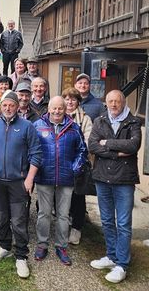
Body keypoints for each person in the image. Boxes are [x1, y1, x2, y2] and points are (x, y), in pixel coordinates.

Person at [88, 90, 142, 284]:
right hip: (103, 178)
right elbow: (93, 145)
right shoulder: (100, 120)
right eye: (110, 101)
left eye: (116, 101)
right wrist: (117, 153)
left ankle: (122, 264)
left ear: (123, 102)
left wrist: (108, 143)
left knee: (124, 224)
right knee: (108, 220)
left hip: (124, 180)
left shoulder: (133, 122)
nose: (113, 105)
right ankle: (111, 256)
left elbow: (133, 145)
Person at [0, 91, 40, 279]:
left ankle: (21, 255)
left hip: (19, 181)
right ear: (0, 106)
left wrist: (30, 178)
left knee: (18, 220)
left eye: (12, 105)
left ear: (18, 107)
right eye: (5, 105)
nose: (8, 108)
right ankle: (4, 246)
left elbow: (36, 153)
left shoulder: (27, 127)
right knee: (1, 216)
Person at [32, 96, 87, 266]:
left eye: (60, 108)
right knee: (44, 213)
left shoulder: (73, 127)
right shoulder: (37, 126)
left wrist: (75, 168)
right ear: (48, 108)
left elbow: (82, 150)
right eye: (54, 108)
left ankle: (61, 246)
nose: (57, 112)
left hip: (66, 178)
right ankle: (42, 244)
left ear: (65, 109)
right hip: (44, 176)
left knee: (63, 215)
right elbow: (32, 148)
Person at [63, 87, 94, 246]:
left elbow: (87, 141)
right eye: (67, 99)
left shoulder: (84, 119)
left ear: (78, 101)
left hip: (78, 163)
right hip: (60, 163)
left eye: (73, 99)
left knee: (78, 196)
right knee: (62, 196)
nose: (70, 102)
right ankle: (65, 222)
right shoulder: (58, 115)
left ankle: (76, 228)